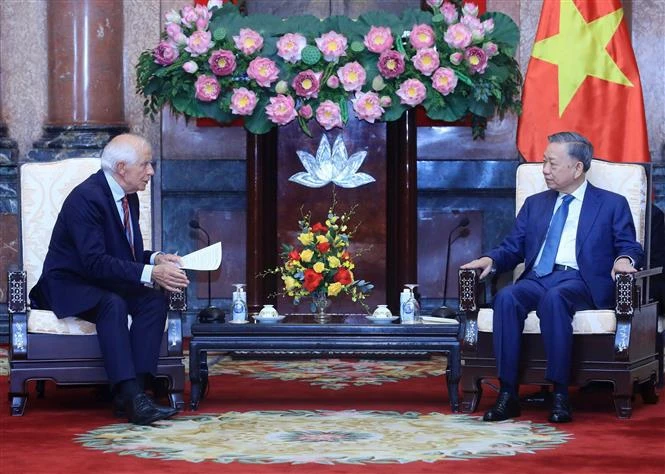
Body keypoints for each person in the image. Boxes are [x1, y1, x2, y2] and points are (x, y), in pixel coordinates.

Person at [461, 131, 643, 423]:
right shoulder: (536, 203)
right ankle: (508, 394)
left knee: (555, 298)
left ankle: (560, 394)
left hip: (580, 280)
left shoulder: (611, 203)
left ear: (578, 168)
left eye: (552, 164)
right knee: (506, 297)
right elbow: (513, 247)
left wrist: (623, 260)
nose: (544, 170)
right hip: (538, 277)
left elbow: (629, 245)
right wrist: (490, 259)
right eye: (544, 162)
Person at [29, 134, 190, 425]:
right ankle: (130, 396)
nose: (151, 171)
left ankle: (136, 393)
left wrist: (155, 259)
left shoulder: (129, 197)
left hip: (100, 278)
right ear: (121, 168)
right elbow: (93, 262)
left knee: (153, 300)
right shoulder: (86, 198)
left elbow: (123, 253)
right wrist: (150, 273)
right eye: (145, 164)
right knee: (112, 303)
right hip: (68, 282)